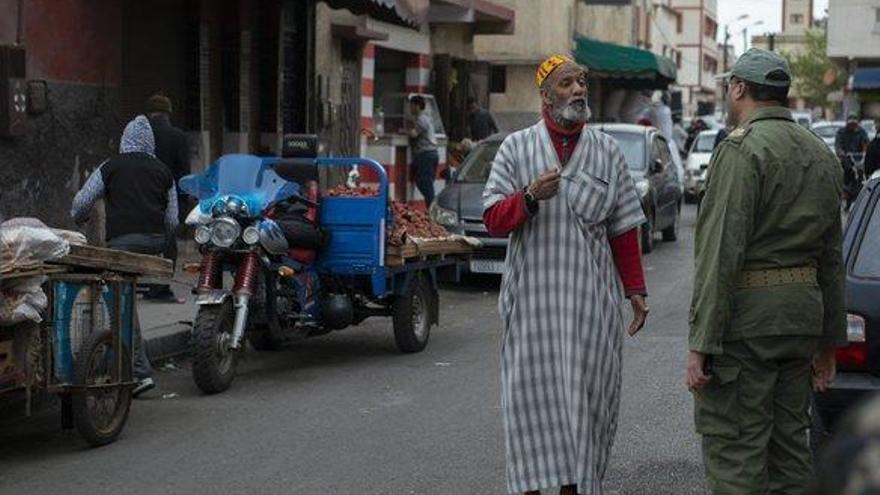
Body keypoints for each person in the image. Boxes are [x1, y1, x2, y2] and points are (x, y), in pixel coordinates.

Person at [482, 54, 650, 495]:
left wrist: (634, 289)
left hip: (591, 311)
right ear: (544, 95)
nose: (578, 90)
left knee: (590, 405)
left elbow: (623, 227)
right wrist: (530, 196)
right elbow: (493, 218)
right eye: (566, 83)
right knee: (531, 408)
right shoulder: (516, 148)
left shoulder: (607, 151)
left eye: (581, 82)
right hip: (532, 312)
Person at [686, 48, 846, 494]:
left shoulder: (741, 151)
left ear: (739, 88)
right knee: (790, 455)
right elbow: (832, 255)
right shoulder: (821, 154)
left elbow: (720, 253)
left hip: (747, 330)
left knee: (736, 456)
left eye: (729, 89)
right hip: (800, 323)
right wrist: (830, 343)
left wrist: (701, 343)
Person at [71, 115, 179, 398]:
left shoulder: (110, 166)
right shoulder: (164, 171)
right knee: (125, 302)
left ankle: (138, 372)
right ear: (150, 144)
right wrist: (160, 242)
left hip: (121, 245)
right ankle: (127, 364)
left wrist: (79, 219)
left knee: (118, 303)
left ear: (124, 141)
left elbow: (81, 202)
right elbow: (172, 220)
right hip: (154, 243)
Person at [145, 94, 190, 303]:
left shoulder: (140, 135)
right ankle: (160, 287)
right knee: (168, 244)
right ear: (168, 112)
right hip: (167, 197)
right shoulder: (177, 136)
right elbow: (184, 171)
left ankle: (147, 284)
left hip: (140, 195)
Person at [406, 95, 439, 207]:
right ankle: (431, 206)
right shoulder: (425, 118)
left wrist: (407, 131)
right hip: (430, 153)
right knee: (425, 182)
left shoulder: (422, 119)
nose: (410, 108)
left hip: (426, 154)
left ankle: (432, 208)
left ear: (417, 106)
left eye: (411, 105)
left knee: (424, 182)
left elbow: (414, 134)